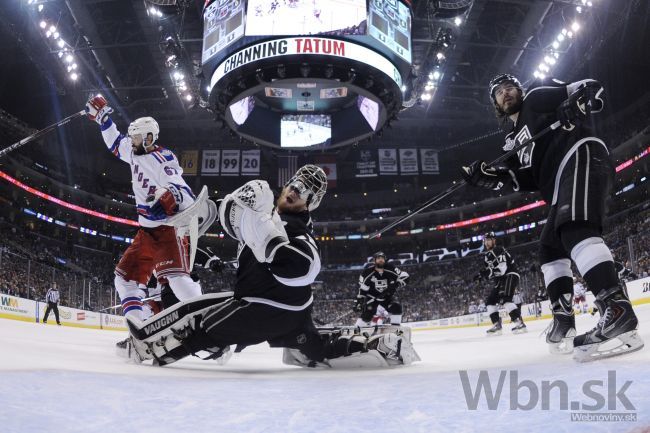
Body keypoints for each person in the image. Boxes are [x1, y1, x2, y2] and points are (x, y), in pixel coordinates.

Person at [121, 165, 418, 368]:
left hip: (261, 308)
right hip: (292, 311)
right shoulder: (263, 213)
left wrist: (272, 245)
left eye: (304, 192)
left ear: (310, 203)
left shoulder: (295, 227)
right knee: (311, 349)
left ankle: (149, 352)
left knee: (199, 323)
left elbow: (306, 264)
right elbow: (227, 214)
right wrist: (198, 209)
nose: (295, 191)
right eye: (295, 184)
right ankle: (382, 346)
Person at [462, 74, 643, 361]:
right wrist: (487, 177)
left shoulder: (536, 99)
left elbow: (591, 87)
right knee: (549, 249)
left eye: (510, 88)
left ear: (519, 90)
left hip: (580, 154)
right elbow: (523, 181)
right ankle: (564, 320)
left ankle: (617, 308)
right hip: (560, 183)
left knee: (574, 229)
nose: (506, 93)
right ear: (495, 103)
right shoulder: (511, 144)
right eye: (498, 92)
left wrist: (578, 103)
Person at [85, 95, 203, 347]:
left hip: (167, 230)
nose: (132, 141)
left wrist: (170, 196)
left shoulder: (163, 159)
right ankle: (138, 334)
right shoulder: (134, 149)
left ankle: (208, 329)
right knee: (125, 280)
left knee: (178, 280)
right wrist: (102, 117)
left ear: (149, 138)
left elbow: (182, 189)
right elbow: (116, 143)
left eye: (137, 137)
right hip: (146, 233)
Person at [473, 232, 526, 335]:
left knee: (506, 299)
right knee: (490, 301)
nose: (487, 242)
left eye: (489, 240)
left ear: (494, 241)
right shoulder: (487, 256)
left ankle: (519, 323)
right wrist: (481, 275)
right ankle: (497, 324)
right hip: (501, 279)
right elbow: (491, 273)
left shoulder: (498, 250)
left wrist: (484, 273)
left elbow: (501, 270)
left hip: (510, 275)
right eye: (485, 240)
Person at [353, 252, 409, 327]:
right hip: (372, 298)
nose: (381, 260)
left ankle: (395, 328)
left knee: (396, 307)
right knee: (368, 314)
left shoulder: (391, 268)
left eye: (382, 258)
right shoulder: (367, 272)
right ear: (374, 261)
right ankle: (357, 329)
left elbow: (405, 277)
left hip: (387, 297)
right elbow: (363, 289)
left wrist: (396, 284)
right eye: (378, 258)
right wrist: (359, 301)